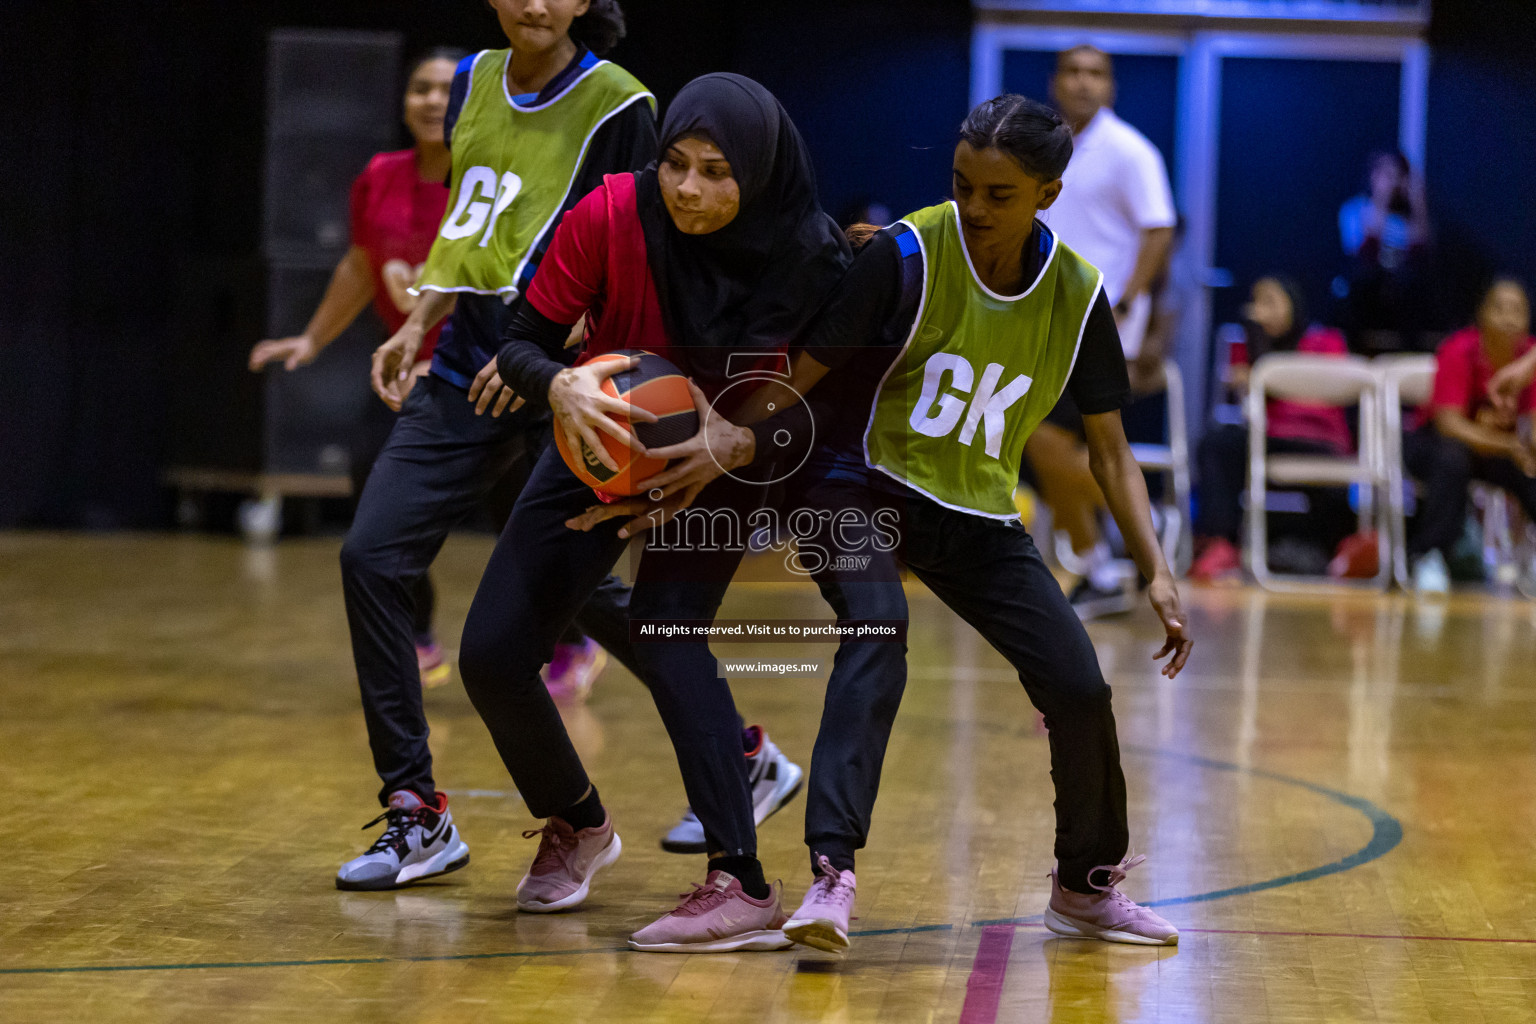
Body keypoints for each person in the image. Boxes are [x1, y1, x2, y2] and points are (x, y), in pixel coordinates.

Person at [593, 94, 1193, 951]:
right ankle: (831, 875)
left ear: (1048, 195)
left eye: (999, 195)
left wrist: (1156, 569)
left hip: (976, 512)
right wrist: (728, 437)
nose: (974, 209)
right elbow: (801, 375)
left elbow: (1111, 452)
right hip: (854, 484)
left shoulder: (1077, 295)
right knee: (879, 628)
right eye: (962, 186)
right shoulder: (909, 252)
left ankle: (1087, 886)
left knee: (1079, 684)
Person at [457, 73, 848, 952]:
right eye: (675, 164)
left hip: (728, 457)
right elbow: (520, 338)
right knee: (491, 655)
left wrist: (721, 454)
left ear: (758, 172)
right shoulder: (609, 213)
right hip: (603, 434)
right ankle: (578, 822)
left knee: (670, 633)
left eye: (717, 171)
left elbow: (814, 409)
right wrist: (559, 383)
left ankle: (740, 883)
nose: (689, 190)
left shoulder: (811, 254)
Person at [331, 0, 661, 894]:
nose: (537, 3)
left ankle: (737, 748)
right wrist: (423, 319)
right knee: (371, 556)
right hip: (466, 372)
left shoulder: (621, 103)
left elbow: (633, 256)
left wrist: (568, 368)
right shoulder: (474, 78)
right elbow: (471, 227)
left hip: (562, 387)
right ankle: (415, 810)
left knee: (579, 596)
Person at [249, 49, 463, 686]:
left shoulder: (489, 180)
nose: (431, 101)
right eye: (420, 89)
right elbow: (361, 264)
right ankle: (416, 634)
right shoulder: (381, 174)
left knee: (526, 527)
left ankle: (573, 642)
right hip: (400, 376)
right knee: (379, 515)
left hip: (480, 377)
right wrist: (311, 340)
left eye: (446, 91)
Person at [1024, 44, 1178, 618]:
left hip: (1103, 323)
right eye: (1073, 71)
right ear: (1054, 81)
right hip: (1047, 321)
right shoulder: (1044, 148)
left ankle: (1131, 535)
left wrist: (1130, 297)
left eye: (1096, 74)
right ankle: (1103, 565)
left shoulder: (1129, 150)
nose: (1084, 83)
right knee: (1053, 445)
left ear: (1111, 87)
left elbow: (1159, 230)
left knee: (1046, 438)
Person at [1189, 276, 1356, 584]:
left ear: (1293, 303)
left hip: (1321, 439)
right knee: (1216, 445)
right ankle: (1221, 543)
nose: (1263, 309)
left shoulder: (1326, 341)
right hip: (1271, 436)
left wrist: (1278, 380)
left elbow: (1339, 386)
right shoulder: (1249, 346)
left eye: (1272, 301)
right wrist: (1256, 340)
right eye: (1258, 302)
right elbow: (1243, 387)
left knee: (1332, 484)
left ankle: (1344, 549)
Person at [1403, 278, 1536, 593]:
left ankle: (1527, 560)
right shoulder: (1458, 349)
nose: (1507, 318)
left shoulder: (1529, 358)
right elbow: (1449, 424)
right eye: (1498, 308)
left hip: (1499, 450)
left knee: (1530, 469)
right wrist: (1512, 445)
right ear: (1481, 314)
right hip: (1436, 443)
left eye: (1517, 310)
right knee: (1453, 459)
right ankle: (1430, 555)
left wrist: (1528, 451)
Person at [1337, 151, 1434, 355]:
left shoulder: (1401, 220)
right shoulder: (1355, 209)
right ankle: (1354, 351)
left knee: (1415, 283)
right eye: (1386, 175)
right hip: (1367, 289)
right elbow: (1365, 251)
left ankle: (1411, 354)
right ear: (1373, 176)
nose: (1392, 182)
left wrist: (1416, 201)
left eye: (1396, 176)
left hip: (1399, 289)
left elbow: (1421, 247)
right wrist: (1381, 198)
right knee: (1364, 278)